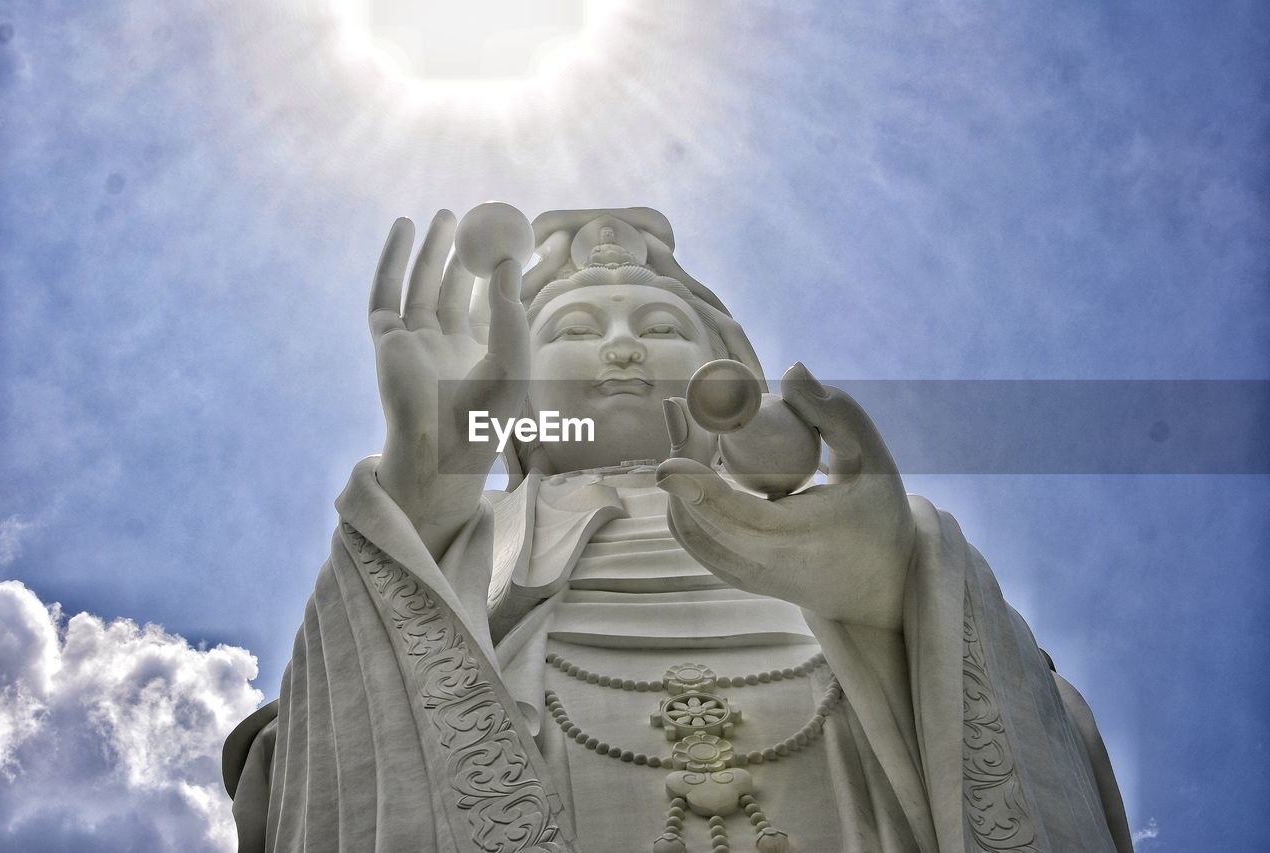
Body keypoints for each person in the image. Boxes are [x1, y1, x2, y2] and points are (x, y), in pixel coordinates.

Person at [223, 208, 1133, 853]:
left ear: (727, 367)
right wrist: (427, 489)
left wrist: (897, 582)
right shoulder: (474, 530)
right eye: (575, 327)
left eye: (659, 324)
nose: (623, 346)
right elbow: (348, 724)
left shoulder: (857, 533)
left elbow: (1017, 720)